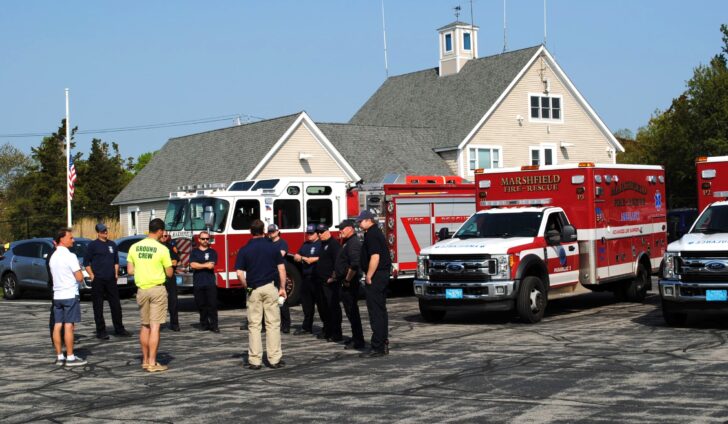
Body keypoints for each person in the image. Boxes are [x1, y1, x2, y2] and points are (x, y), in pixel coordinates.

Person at [235, 219, 287, 370]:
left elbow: (239, 273)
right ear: (264, 230)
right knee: (273, 324)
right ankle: (274, 359)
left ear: (250, 232)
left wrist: (246, 287)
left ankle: (255, 360)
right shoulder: (272, 247)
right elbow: (282, 269)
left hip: (254, 288)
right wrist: (282, 287)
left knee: (254, 325)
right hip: (270, 287)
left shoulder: (244, 249)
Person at [127, 218, 173, 373]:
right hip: (157, 288)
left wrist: (143, 268)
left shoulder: (135, 247)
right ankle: (153, 362)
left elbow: (130, 270)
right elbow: (169, 272)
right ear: (160, 231)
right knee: (155, 326)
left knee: (144, 325)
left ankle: (145, 360)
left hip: (142, 288)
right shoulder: (162, 249)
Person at [84, 223, 131, 340]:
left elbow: (116, 261)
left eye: (106, 230)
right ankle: (101, 331)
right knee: (98, 306)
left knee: (115, 305)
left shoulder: (112, 244)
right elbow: (86, 262)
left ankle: (119, 328)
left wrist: (115, 273)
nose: (105, 232)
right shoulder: (93, 245)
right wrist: (92, 275)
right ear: (98, 232)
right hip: (98, 279)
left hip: (110, 279)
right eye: (103, 231)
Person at [49, 228, 87, 367]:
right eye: (70, 238)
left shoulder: (53, 257)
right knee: (69, 326)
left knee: (57, 325)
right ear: (62, 239)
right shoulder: (70, 256)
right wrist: (80, 271)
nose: (73, 240)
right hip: (69, 294)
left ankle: (59, 356)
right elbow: (79, 277)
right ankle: (70, 356)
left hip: (57, 294)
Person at [357, 210, 391, 357]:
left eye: (361, 221)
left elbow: (375, 257)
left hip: (377, 276)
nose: (359, 223)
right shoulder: (373, 233)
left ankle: (377, 346)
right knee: (381, 311)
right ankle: (382, 342)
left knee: (376, 312)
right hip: (381, 275)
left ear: (368, 220)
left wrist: (369, 275)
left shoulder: (371, 234)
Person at [334, 219, 365, 350]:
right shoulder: (347, 242)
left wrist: (347, 280)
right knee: (349, 312)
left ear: (350, 229)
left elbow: (355, 264)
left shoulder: (353, 243)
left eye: (342, 228)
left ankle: (358, 340)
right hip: (344, 281)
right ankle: (355, 337)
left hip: (350, 283)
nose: (340, 231)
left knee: (353, 312)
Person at [292, 224, 324, 336]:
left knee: (321, 305)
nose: (309, 235)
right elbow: (297, 255)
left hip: (317, 278)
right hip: (306, 277)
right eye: (308, 233)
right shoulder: (305, 245)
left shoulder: (321, 244)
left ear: (317, 234)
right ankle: (306, 327)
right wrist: (298, 257)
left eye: (311, 233)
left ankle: (327, 327)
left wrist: (305, 258)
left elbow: (319, 258)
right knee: (306, 305)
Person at [316, 224, 343, 342]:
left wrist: (333, 277)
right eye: (318, 232)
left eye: (322, 232)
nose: (319, 234)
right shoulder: (322, 244)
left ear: (328, 231)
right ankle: (327, 330)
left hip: (330, 282)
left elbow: (338, 263)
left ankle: (336, 333)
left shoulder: (333, 244)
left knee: (333, 308)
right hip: (321, 281)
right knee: (324, 308)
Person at [190, 231, 219, 333]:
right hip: (198, 283)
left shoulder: (212, 252)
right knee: (201, 305)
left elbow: (211, 265)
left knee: (212, 305)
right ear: (199, 240)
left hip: (210, 283)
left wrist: (200, 265)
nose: (205, 241)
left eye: (207, 239)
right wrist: (204, 265)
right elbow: (192, 265)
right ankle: (204, 324)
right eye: (203, 239)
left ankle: (214, 325)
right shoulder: (194, 252)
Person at [267, 224, 291, 333]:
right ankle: (267, 324)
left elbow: (280, 255)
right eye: (270, 231)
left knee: (281, 301)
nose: (271, 233)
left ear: (278, 231)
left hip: (279, 275)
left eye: (273, 231)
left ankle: (286, 325)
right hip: (268, 274)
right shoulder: (267, 243)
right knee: (268, 300)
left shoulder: (282, 243)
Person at [160, 232, 180, 331]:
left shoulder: (170, 247)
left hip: (170, 277)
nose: (164, 237)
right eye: (162, 235)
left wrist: (162, 263)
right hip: (159, 277)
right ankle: (158, 324)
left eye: (166, 236)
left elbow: (175, 261)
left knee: (173, 301)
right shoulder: (156, 247)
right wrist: (168, 262)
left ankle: (174, 324)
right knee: (159, 302)